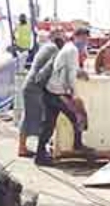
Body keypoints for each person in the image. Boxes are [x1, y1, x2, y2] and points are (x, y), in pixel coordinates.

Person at [36, 27, 95, 165]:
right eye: (84, 39)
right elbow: (70, 75)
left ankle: (40, 155)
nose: (85, 42)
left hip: (50, 90)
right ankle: (78, 145)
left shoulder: (68, 48)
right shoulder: (73, 50)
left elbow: (69, 68)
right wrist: (74, 95)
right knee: (78, 116)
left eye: (86, 40)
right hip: (58, 92)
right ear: (77, 37)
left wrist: (79, 71)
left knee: (49, 124)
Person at [19, 28, 65, 158]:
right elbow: (51, 70)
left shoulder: (46, 47)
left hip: (31, 85)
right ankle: (38, 148)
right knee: (41, 118)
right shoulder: (53, 50)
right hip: (35, 87)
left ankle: (23, 147)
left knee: (28, 117)